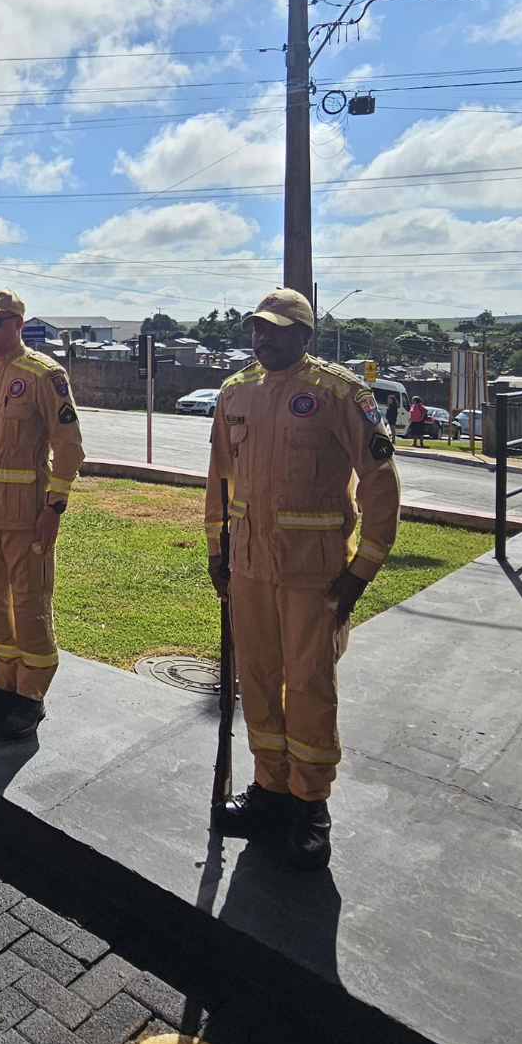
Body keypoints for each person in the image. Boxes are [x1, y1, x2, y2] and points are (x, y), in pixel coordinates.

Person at [207, 288, 401, 872]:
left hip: (314, 574)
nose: (262, 337)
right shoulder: (235, 392)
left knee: (311, 686)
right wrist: (217, 551)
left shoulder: (340, 393)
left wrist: (362, 570)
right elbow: (220, 479)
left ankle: (310, 805)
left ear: (304, 335)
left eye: (275, 328)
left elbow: (381, 484)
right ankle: (270, 789)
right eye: (256, 327)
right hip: (249, 568)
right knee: (258, 679)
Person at [0, 289, 85, 740]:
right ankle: (4, 683)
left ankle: (31, 694)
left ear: (18, 324)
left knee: (29, 605)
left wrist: (55, 506)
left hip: (26, 516)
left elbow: (69, 446)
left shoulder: (44, 375)